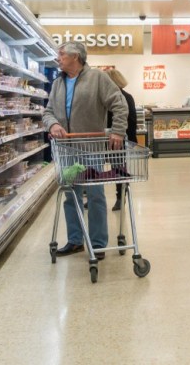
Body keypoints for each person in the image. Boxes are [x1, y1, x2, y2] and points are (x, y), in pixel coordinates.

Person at [42, 41, 128, 260]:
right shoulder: (57, 83)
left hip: (91, 147)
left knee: (95, 194)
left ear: (76, 56)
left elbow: (119, 104)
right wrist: (52, 124)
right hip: (66, 149)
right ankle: (75, 241)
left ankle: (98, 244)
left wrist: (117, 130)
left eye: (61, 54)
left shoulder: (98, 78)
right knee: (71, 195)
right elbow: (48, 111)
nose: (58, 57)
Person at [105, 68, 138, 211]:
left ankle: (121, 196)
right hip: (105, 138)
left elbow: (131, 120)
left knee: (117, 166)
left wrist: (130, 139)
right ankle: (96, 196)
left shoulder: (124, 97)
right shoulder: (104, 97)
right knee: (111, 166)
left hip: (118, 139)